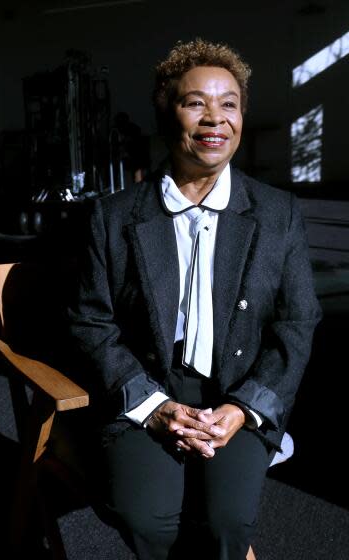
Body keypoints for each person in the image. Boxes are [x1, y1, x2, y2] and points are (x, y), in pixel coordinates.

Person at [68, 38, 321, 560]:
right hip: (150, 382)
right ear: (167, 114)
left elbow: (297, 321)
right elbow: (90, 321)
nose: (215, 118)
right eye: (195, 103)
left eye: (229, 103)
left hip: (239, 385)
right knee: (150, 522)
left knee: (226, 524)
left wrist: (245, 408)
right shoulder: (112, 216)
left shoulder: (277, 213)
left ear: (241, 117)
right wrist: (155, 406)